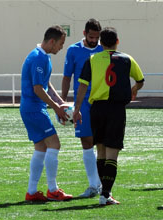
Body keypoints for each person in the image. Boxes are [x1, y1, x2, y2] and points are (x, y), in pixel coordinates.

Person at [73, 27, 144, 205]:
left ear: (100, 43)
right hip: (117, 109)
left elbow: (82, 86)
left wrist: (77, 108)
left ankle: (103, 193)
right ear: (117, 41)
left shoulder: (92, 59)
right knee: (112, 154)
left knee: (101, 152)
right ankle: (106, 194)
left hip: (97, 108)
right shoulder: (127, 59)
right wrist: (134, 89)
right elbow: (140, 80)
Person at [20, 25, 73, 201]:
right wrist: (56, 108)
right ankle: (52, 189)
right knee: (54, 144)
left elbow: (46, 85)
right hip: (34, 108)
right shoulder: (38, 58)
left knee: (41, 147)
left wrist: (60, 102)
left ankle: (31, 192)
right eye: (61, 44)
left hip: (31, 108)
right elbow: (37, 89)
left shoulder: (43, 57)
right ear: (52, 41)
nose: (61, 47)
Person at [62, 18, 103, 198]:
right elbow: (66, 77)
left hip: (102, 102)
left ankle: (103, 185)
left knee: (102, 143)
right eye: (91, 36)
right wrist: (63, 102)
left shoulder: (104, 49)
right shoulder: (73, 50)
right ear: (85, 34)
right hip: (83, 103)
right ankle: (93, 185)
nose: (94, 40)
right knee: (86, 142)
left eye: (97, 37)